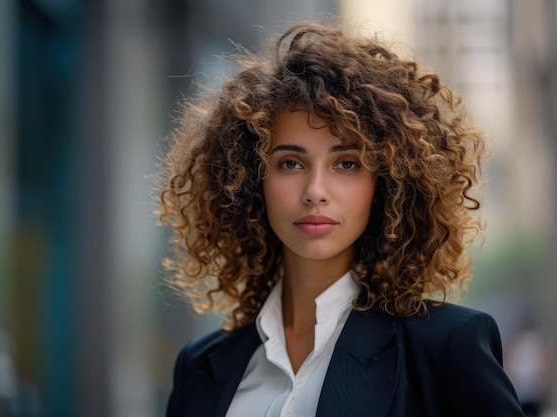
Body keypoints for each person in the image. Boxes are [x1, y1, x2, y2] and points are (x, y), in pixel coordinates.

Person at [155, 21, 526, 417]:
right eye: (290, 163)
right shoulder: (200, 367)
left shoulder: (445, 347)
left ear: (384, 183)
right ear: (249, 178)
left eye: (346, 163)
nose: (315, 190)